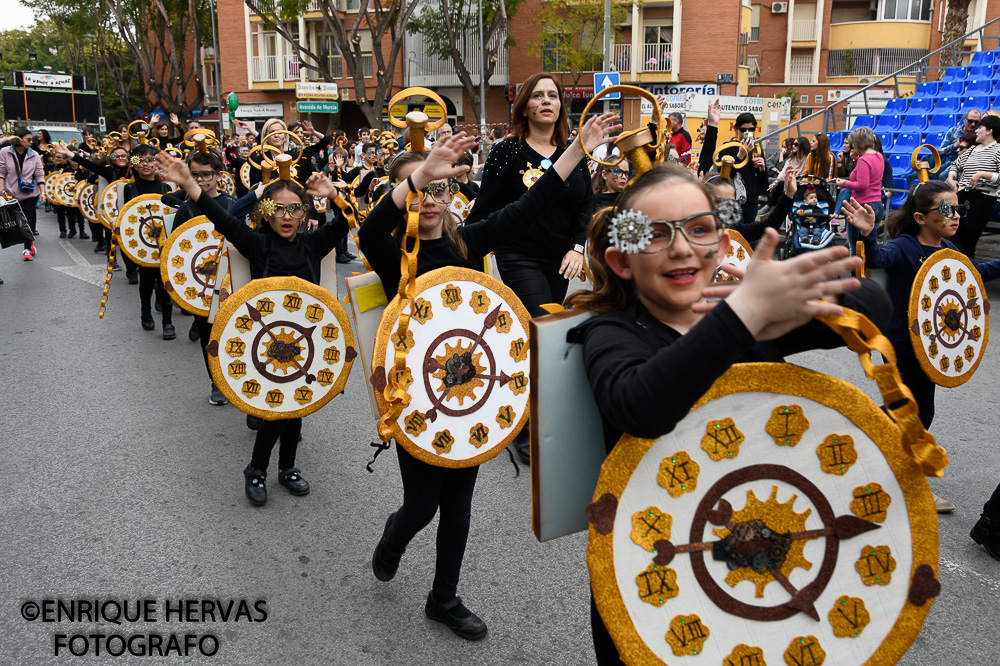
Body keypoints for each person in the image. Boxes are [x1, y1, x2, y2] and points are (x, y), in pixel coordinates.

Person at [565, 164, 885, 665]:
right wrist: (742, 317)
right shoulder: (612, 332)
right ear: (621, 262)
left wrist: (787, 304)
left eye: (700, 228)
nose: (681, 248)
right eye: (654, 235)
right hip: (654, 574)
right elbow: (639, 405)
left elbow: (876, 308)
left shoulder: (745, 315)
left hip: (757, 560)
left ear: (721, 242)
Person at [357, 115, 618, 642]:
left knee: (458, 507)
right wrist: (419, 172)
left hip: (474, 399)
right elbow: (365, 231)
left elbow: (529, 205)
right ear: (404, 194)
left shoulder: (468, 242)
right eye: (420, 190)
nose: (430, 199)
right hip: (417, 400)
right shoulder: (392, 255)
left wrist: (575, 154)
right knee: (421, 505)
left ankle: (444, 598)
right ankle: (393, 538)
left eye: (441, 188)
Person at [156, 151, 351, 507]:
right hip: (263, 344)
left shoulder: (313, 243)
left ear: (305, 213)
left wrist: (335, 195)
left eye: (295, 209)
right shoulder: (258, 245)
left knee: (297, 412)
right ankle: (257, 469)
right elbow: (224, 221)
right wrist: (190, 187)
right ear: (264, 212)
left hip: (306, 345)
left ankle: (287, 469)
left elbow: (347, 223)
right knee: (277, 413)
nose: (287, 216)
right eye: (278, 208)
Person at [843, 181, 1000, 513]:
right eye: (946, 209)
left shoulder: (951, 254)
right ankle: (900, 478)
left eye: (958, 208)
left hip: (927, 351)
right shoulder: (903, 246)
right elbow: (875, 258)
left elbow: (974, 273)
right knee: (916, 413)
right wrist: (868, 233)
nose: (955, 215)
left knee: (911, 412)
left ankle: (857, 446)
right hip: (900, 346)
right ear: (920, 216)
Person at [466, 72, 595, 464]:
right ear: (524, 106)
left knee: (536, 335)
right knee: (543, 332)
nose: (546, 101)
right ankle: (525, 428)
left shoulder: (575, 152)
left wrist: (578, 247)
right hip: (517, 255)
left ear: (560, 105)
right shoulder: (507, 152)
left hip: (561, 260)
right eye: (536, 95)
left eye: (552, 95)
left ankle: (530, 411)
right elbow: (484, 209)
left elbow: (584, 207)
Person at [167, 149, 237, 404]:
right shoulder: (186, 209)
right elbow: (174, 251)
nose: (201, 180)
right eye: (195, 175)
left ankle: (234, 378)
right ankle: (216, 382)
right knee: (209, 339)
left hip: (230, 283)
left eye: (206, 174)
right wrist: (175, 290)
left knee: (233, 334)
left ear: (218, 175)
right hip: (199, 287)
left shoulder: (231, 204)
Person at [698, 107, 768, 226]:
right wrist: (740, 155)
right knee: (735, 233)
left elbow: (763, 185)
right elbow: (724, 176)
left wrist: (763, 168)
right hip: (734, 201)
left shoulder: (757, 149)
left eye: (751, 129)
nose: (747, 133)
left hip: (751, 201)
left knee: (748, 237)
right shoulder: (728, 147)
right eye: (743, 130)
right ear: (736, 130)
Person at [946, 114, 1000, 258]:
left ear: (989, 131)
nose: (976, 130)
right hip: (962, 196)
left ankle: (968, 273)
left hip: (983, 199)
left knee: (969, 239)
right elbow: (955, 165)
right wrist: (951, 178)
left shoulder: (998, 150)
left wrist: (983, 173)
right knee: (954, 236)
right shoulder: (972, 150)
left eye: (980, 127)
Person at [834, 126, 884, 254]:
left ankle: (855, 274)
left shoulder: (864, 160)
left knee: (855, 247)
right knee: (868, 248)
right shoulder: (878, 155)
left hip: (861, 206)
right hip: (877, 205)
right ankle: (866, 273)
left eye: (853, 144)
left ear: (857, 143)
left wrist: (844, 183)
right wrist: (856, 159)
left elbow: (862, 185)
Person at [0, 128, 46, 259]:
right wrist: (1, 189)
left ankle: (27, 249)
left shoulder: (34, 154)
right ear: (19, 139)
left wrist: (43, 192)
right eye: (28, 140)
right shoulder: (5, 152)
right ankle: (29, 244)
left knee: (27, 221)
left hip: (30, 194)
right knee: (13, 223)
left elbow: (39, 175)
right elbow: (1, 172)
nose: (31, 142)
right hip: (10, 194)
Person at [767, 136, 809, 206]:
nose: (793, 146)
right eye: (793, 144)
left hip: (801, 183)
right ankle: (769, 206)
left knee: (782, 187)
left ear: (802, 146)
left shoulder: (807, 159)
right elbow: (783, 172)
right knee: (779, 186)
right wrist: (775, 182)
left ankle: (769, 206)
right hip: (789, 183)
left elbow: (806, 172)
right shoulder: (790, 159)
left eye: (795, 144)